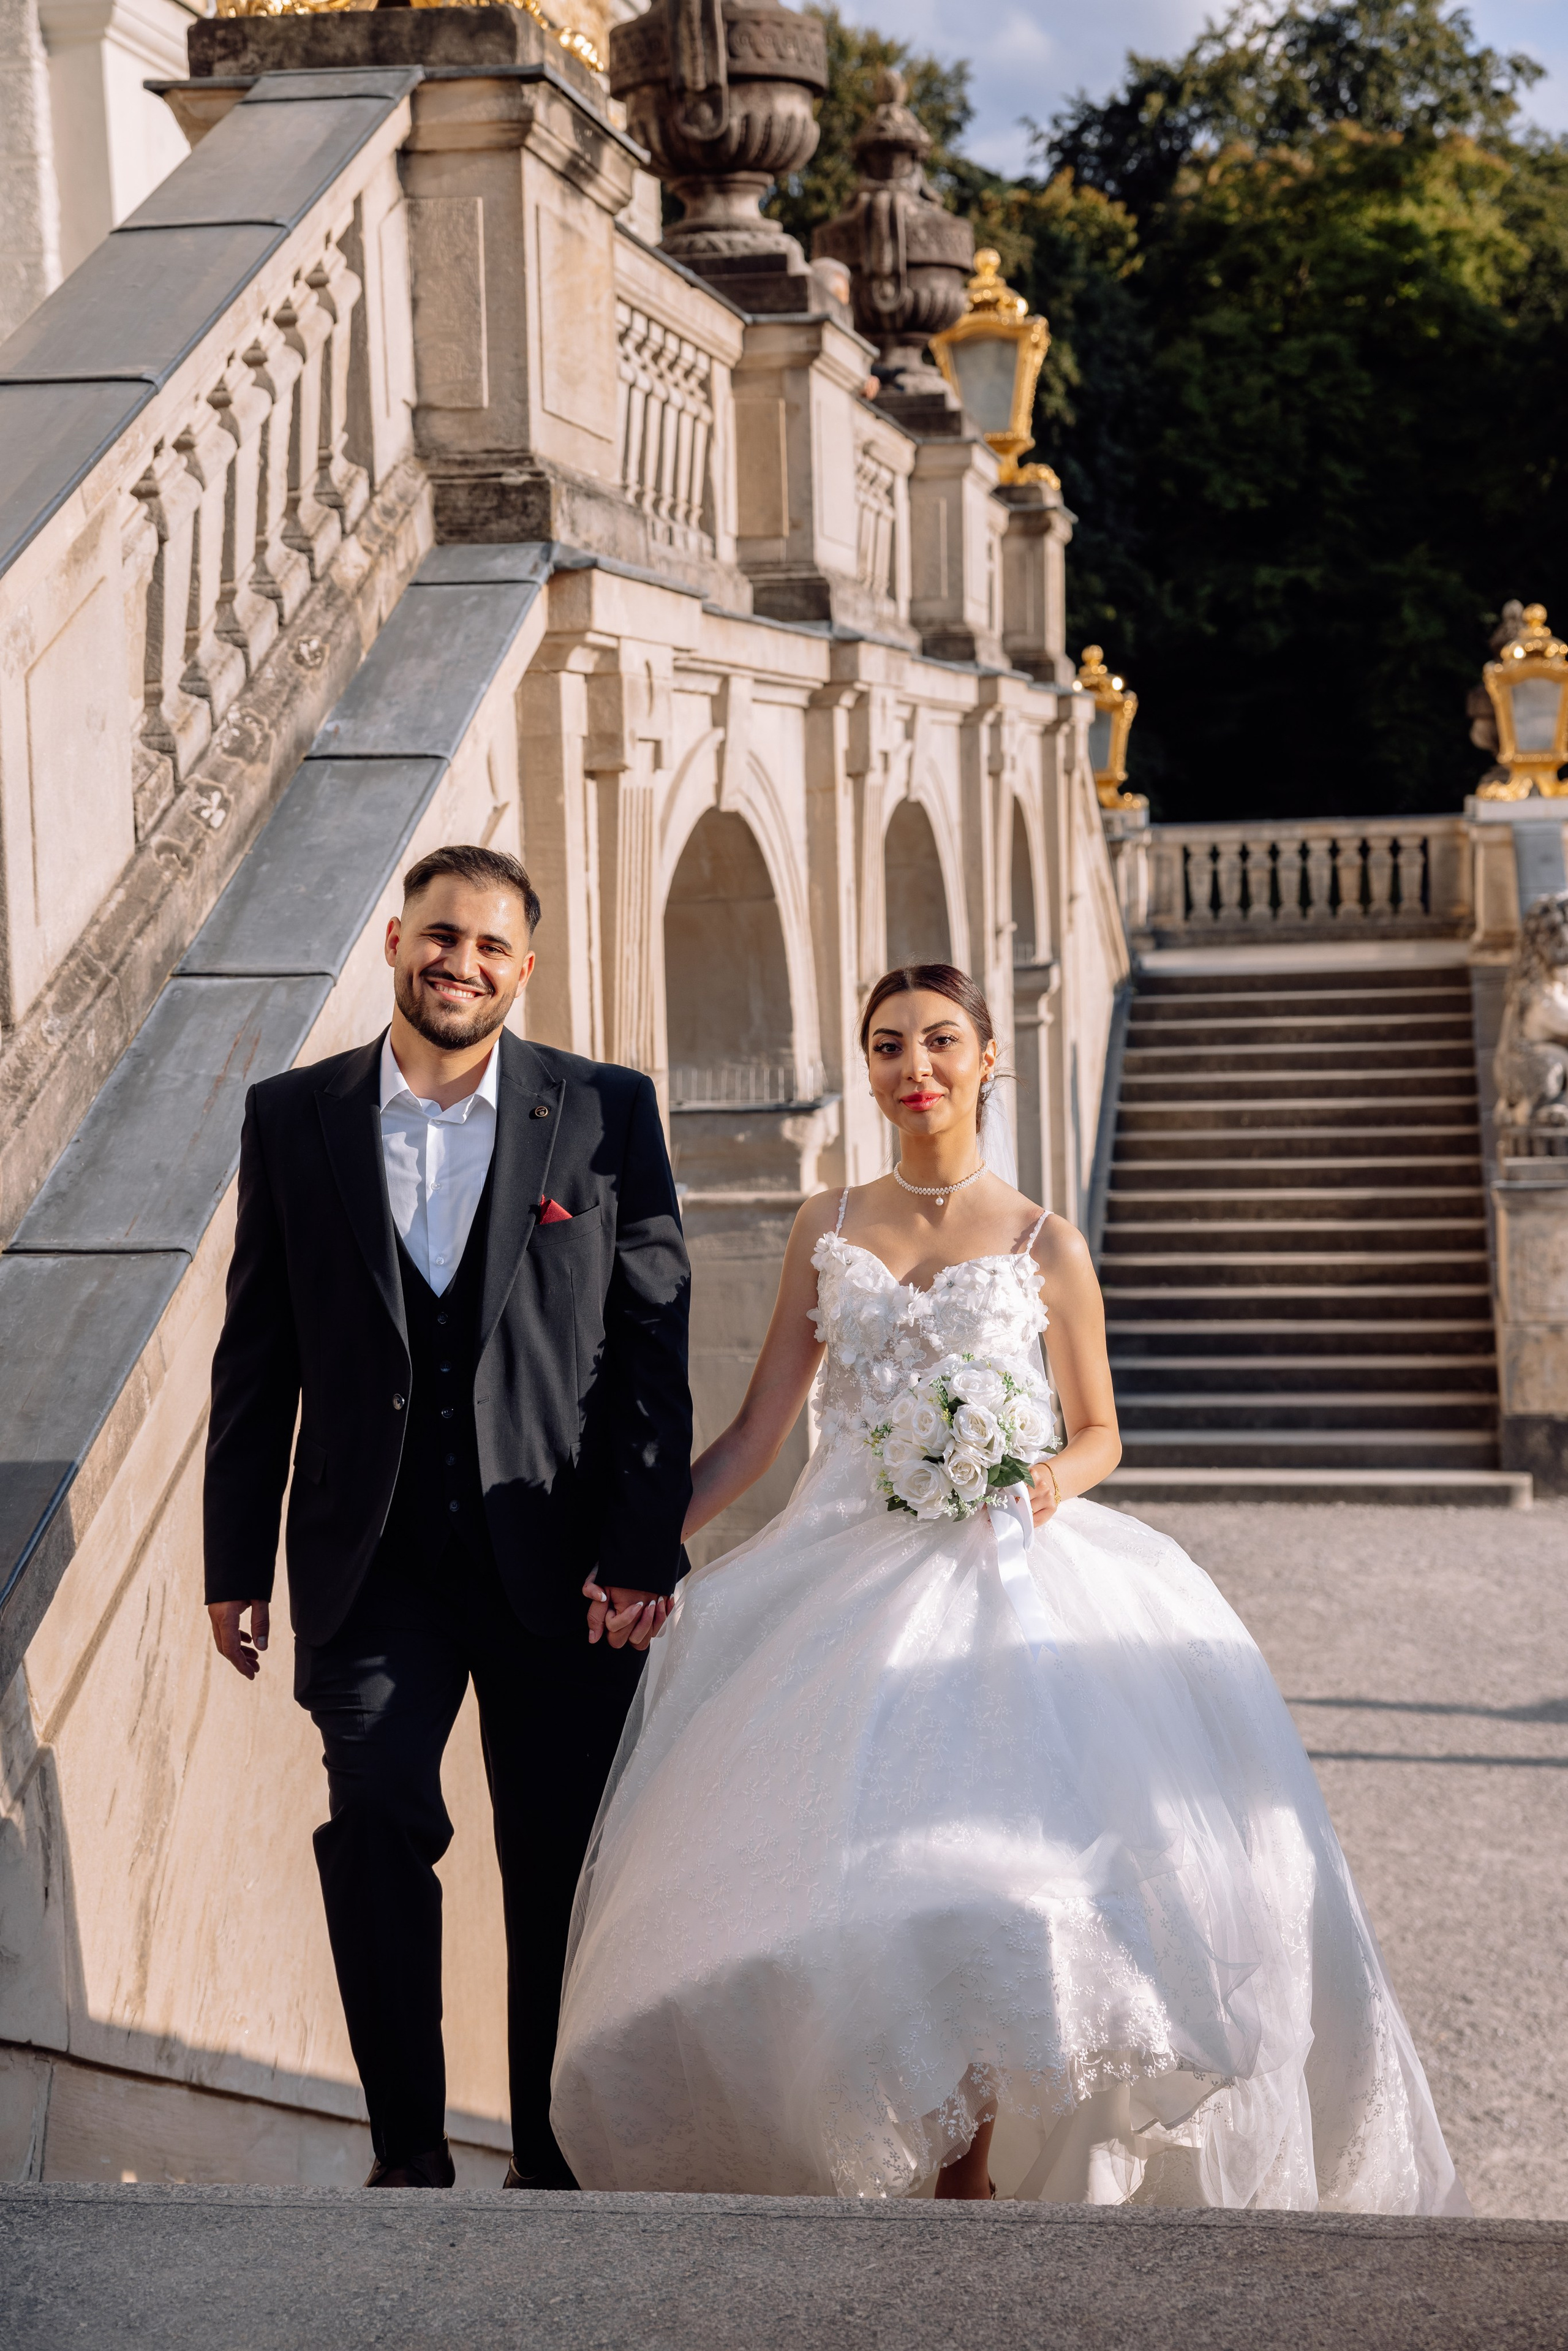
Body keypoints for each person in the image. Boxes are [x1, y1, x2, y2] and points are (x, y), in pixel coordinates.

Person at [550, 962, 1468, 2213]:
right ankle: (898, 2136)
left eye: (937, 1041)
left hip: (1005, 1564)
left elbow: (1099, 1431)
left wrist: (1036, 1480)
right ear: (865, 1068)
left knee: (989, 1858)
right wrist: (649, 1547)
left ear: (989, 1058)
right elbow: (759, 1430)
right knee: (861, 1866)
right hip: (848, 1564)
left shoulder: (1045, 1239)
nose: (910, 1066)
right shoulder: (824, 1224)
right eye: (884, 1045)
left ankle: (963, 2171)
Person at [203, 843, 690, 2190]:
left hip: (564, 1559)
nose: (458, 961)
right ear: (393, 940)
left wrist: (643, 1546)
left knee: (553, 1863)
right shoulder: (292, 1115)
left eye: (487, 945)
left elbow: (654, 1342)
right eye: (438, 934)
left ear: (521, 969)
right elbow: (257, 1355)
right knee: (373, 1815)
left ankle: (547, 2155)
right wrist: (232, 1559)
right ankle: (408, 2153)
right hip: (371, 1561)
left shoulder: (603, 1111)